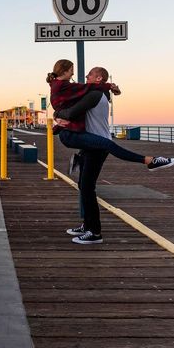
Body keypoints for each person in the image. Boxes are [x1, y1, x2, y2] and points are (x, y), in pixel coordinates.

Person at [46, 59, 174, 171]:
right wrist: (57, 113)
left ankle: (79, 160)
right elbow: (83, 92)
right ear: (64, 71)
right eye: (71, 71)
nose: (75, 74)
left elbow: (88, 90)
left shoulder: (87, 92)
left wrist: (110, 88)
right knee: (107, 146)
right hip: (71, 133)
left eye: (89, 75)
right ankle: (150, 161)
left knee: (86, 185)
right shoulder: (63, 86)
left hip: (76, 132)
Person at [58, 66, 112, 244]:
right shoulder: (100, 92)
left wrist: (58, 114)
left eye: (90, 74)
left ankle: (95, 232)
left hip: (98, 145)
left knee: (88, 188)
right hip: (91, 144)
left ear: (98, 79)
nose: (86, 76)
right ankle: (87, 225)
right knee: (84, 185)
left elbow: (73, 112)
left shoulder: (95, 95)